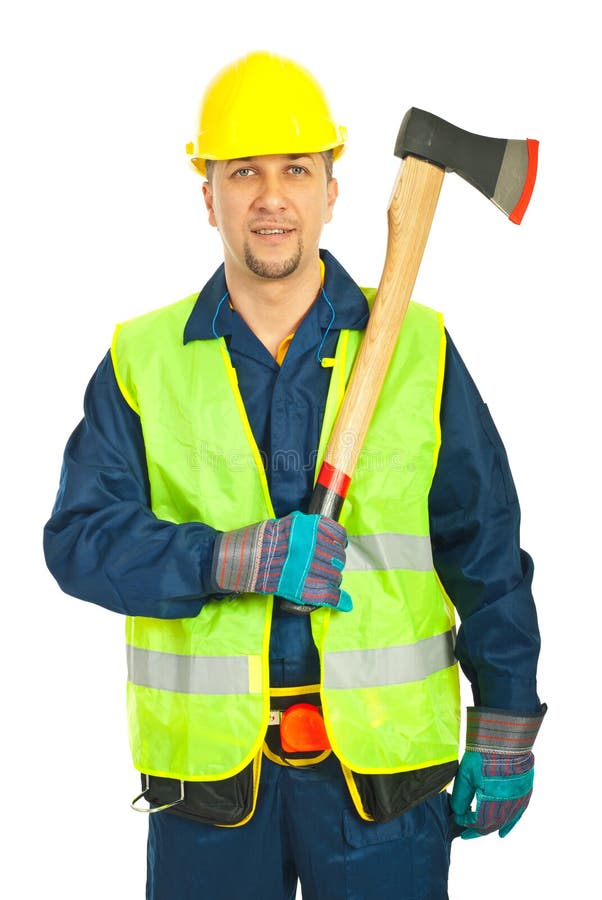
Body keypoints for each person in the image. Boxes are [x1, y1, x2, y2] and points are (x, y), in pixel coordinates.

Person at [43, 50, 546, 900]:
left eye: (297, 170)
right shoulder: (143, 360)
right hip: (211, 792)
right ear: (208, 194)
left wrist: (507, 716)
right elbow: (78, 543)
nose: (271, 197)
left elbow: (483, 542)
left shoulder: (418, 351)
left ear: (332, 191)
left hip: (385, 785)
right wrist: (225, 560)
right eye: (244, 172)